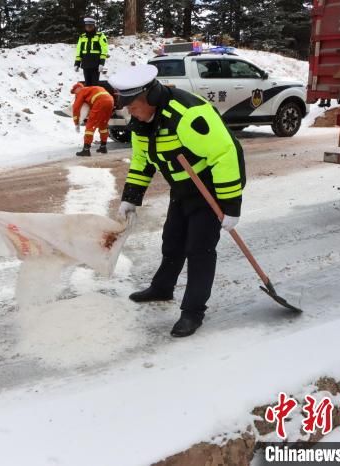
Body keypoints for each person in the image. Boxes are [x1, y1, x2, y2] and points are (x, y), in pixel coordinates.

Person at [109, 64, 246, 338]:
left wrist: (231, 205)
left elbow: (225, 154)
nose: (129, 112)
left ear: (149, 97)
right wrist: (131, 198)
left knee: (200, 249)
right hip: (183, 184)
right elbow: (141, 161)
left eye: (132, 106)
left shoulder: (187, 115)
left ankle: (193, 311)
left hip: (212, 186)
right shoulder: (142, 123)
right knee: (172, 240)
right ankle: (162, 288)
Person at [70, 82, 114, 156]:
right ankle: (103, 147)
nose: (75, 94)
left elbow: (76, 108)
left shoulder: (82, 91)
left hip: (100, 101)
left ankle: (86, 150)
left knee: (90, 126)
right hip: (110, 101)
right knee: (103, 125)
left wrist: (76, 123)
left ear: (77, 88)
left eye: (74, 92)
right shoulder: (92, 88)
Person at [74, 17, 108, 86]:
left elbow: (104, 49)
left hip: (95, 65)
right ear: (85, 27)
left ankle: (95, 96)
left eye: (90, 26)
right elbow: (79, 51)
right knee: (87, 85)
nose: (89, 27)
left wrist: (102, 63)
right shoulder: (82, 37)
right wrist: (77, 63)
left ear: (94, 26)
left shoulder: (100, 36)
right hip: (85, 64)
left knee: (95, 85)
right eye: (87, 26)